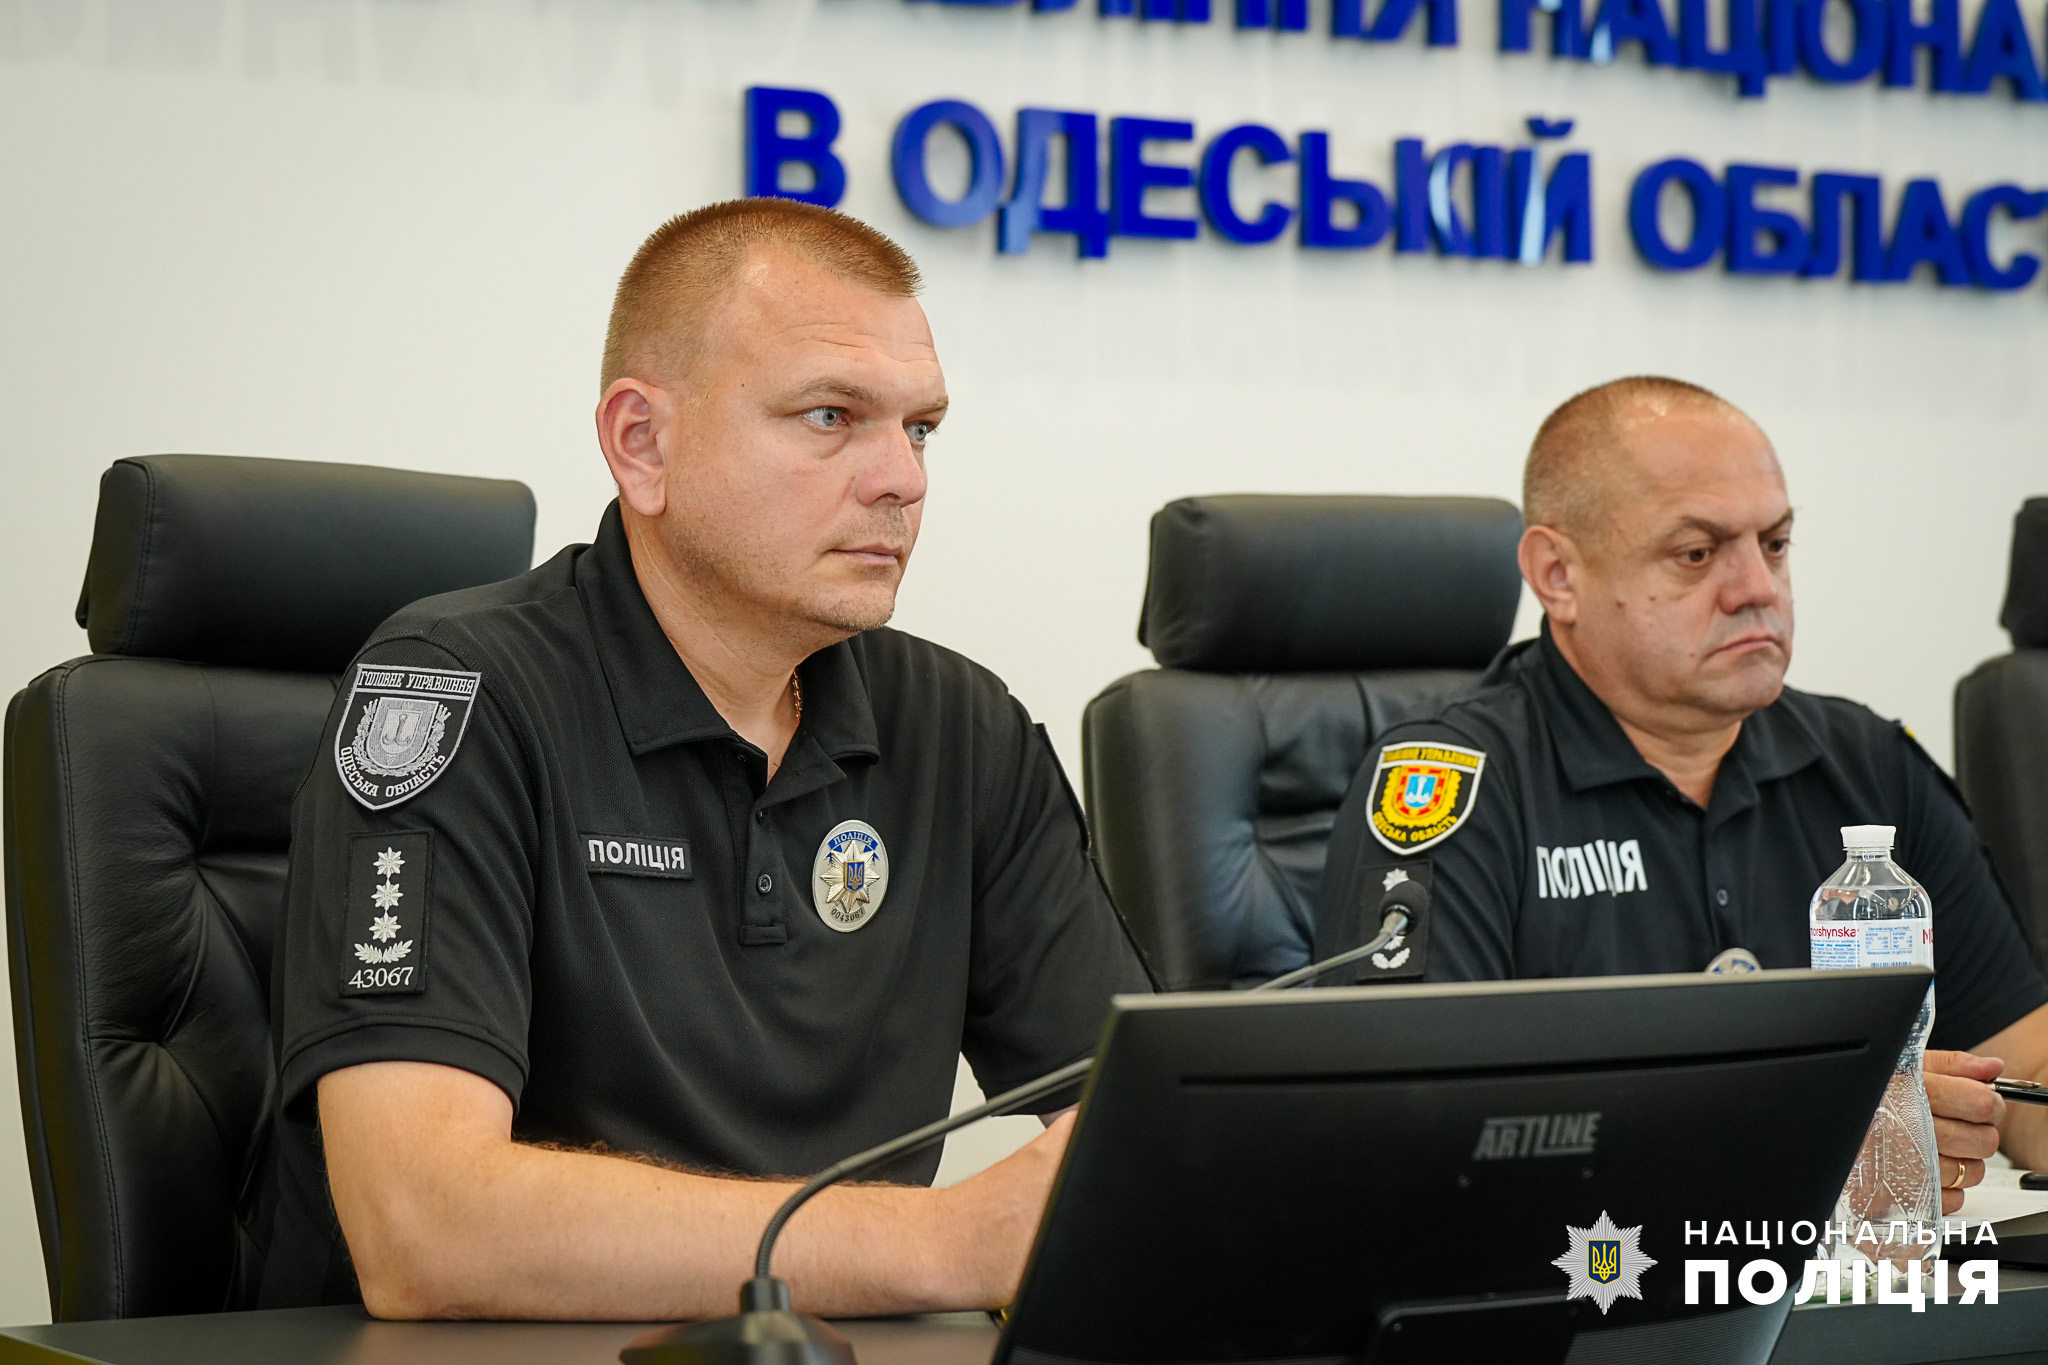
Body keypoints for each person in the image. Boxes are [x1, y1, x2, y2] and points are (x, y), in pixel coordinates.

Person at [260, 199, 1152, 1319]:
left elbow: (1138, 1137)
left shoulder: (961, 727)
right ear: (643, 443)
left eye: (921, 428)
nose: (902, 478)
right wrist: (943, 1243)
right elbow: (421, 1227)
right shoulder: (452, 695)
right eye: (830, 415)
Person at [1315, 375, 2048, 1200]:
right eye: (1697, 553)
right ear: (1558, 574)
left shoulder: (1867, 763)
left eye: (1775, 543)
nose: (1757, 587)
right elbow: (1413, 1131)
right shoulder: (1454, 785)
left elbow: (2024, 1062)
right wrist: (1806, 1143)